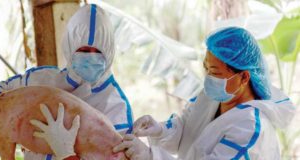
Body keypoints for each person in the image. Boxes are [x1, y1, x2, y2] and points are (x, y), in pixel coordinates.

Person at [112, 27, 296, 160]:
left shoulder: (249, 127)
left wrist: (149, 156)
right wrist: (160, 130)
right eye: (206, 68)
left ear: (244, 77)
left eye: (215, 72)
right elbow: (186, 127)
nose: (208, 77)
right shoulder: (211, 97)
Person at [0, 4, 133, 160]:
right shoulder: (42, 78)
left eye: (98, 52)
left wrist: (66, 152)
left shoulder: (117, 107)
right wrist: (21, 130)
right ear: (70, 46)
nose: (90, 57)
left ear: (108, 52)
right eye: (84, 51)